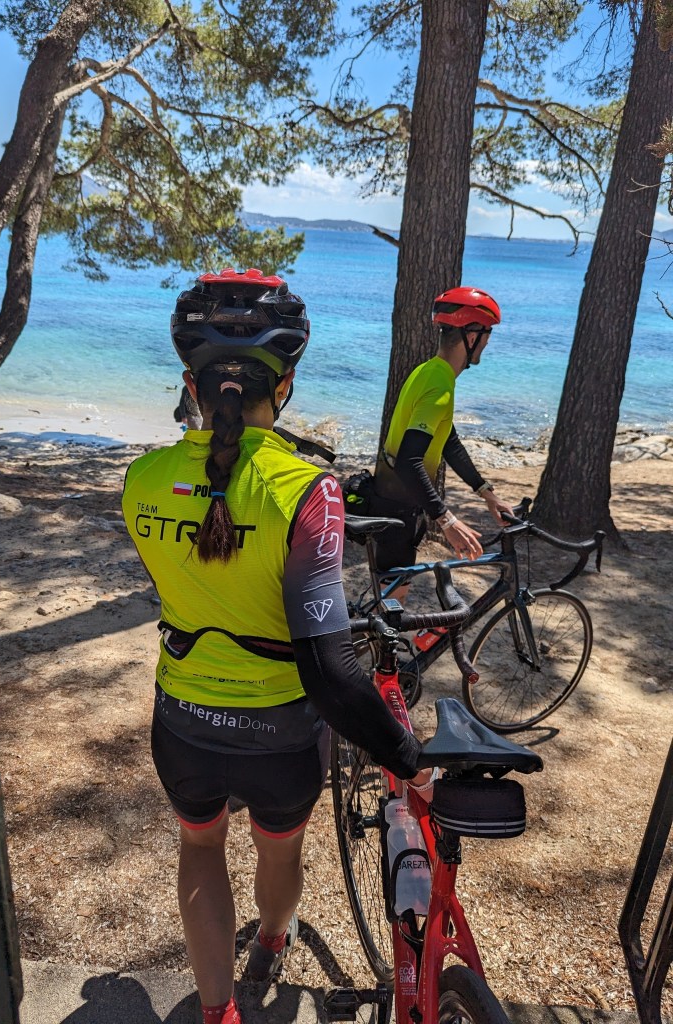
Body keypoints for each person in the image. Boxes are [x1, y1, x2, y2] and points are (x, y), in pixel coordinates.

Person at [122, 268, 432, 1024]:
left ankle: (216, 1012)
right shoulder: (309, 489)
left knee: (199, 850)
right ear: (284, 384)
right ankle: (268, 941)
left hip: (184, 720)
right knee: (278, 853)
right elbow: (330, 670)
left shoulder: (140, 481)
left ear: (191, 382)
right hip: (281, 733)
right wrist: (407, 760)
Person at [371, 286, 514, 574]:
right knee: (389, 608)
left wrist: (487, 493)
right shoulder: (439, 385)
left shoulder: (429, 371)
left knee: (390, 604)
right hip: (396, 508)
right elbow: (409, 461)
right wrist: (448, 521)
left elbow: (449, 442)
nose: (487, 342)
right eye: (488, 334)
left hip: (392, 501)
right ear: (472, 336)